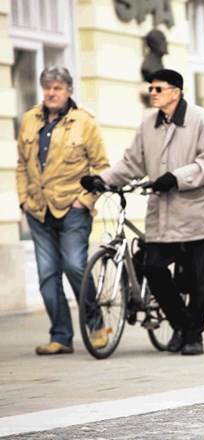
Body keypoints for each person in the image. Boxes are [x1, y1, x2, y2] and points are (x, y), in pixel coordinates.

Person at [82, 69, 204, 355]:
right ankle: (181, 325)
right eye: (151, 89)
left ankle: (193, 336)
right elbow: (131, 163)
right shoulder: (148, 125)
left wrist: (177, 177)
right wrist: (102, 180)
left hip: (193, 213)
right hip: (161, 214)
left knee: (196, 279)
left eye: (158, 89)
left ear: (175, 92)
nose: (153, 93)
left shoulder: (200, 119)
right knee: (153, 268)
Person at [16, 66, 110, 355]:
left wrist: (85, 200)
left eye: (56, 88)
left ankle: (96, 326)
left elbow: (102, 167)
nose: (50, 93)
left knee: (74, 265)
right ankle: (61, 335)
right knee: (47, 274)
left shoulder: (84, 122)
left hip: (73, 208)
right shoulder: (30, 120)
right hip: (37, 209)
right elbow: (21, 164)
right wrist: (23, 199)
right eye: (47, 88)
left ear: (68, 90)